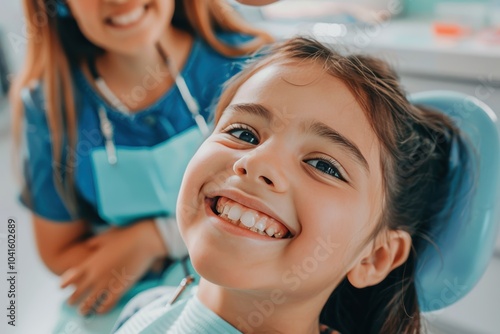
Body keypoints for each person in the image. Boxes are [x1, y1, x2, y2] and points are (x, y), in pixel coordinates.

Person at [114, 37, 472, 334]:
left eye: (323, 166)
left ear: (374, 257)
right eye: (243, 133)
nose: (256, 163)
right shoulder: (147, 312)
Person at [10, 0, 273, 321]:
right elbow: (58, 252)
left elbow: (290, 209)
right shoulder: (50, 110)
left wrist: (158, 238)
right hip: (126, 301)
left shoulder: (252, 67)